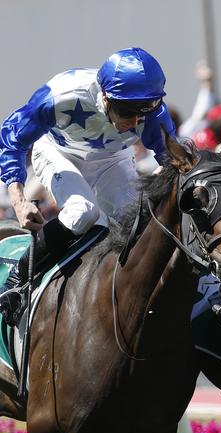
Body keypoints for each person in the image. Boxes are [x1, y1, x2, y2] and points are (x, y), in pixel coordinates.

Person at [0, 47, 176, 326]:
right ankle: (19, 277)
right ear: (105, 97)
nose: (135, 122)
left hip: (113, 160)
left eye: (143, 113)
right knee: (82, 211)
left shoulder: (151, 111)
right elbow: (12, 138)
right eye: (128, 112)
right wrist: (19, 201)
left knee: (138, 224)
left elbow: (176, 161)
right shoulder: (60, 95)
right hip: (58, 152)